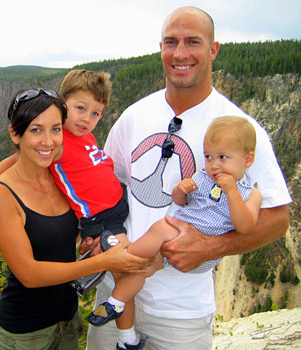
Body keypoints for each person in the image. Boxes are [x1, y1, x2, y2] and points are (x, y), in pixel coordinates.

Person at [87, 6, 291, 350]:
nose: (180, 53)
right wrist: (97, 232)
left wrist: (213, 247)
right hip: (117, 291)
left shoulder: (241, 130)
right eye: (171, 42)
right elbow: (109, 184)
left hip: (182, 314)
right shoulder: (135, 116)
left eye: (192, 42)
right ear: (161, 48)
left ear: (213, 50)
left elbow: (278, 217)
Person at [0, 70, 153, 349]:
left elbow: (68, 231)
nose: (50, 141)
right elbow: (29, 274)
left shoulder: (60, 178)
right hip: (25, 331)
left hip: (67, 320)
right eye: (36, 130)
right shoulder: (2, 193)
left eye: (55, 129)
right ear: (15, 134)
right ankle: (126, 335)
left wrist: (87, 242)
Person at [87, 116, 262, 348]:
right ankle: (117, 302)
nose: (214, 165)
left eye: (223, 158)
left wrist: (232, 193)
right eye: (208, 157)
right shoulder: (204, 177)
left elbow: (246, 225)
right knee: (145, 267)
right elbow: (181, 201)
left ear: (248, 159)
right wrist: (181, 189)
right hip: (175, 240)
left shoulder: (250, 193)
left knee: (160, 228)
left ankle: (125, 251)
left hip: (196, 250)